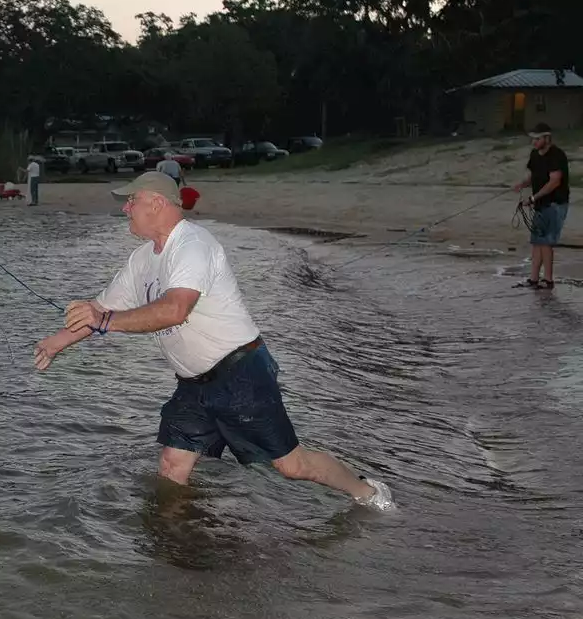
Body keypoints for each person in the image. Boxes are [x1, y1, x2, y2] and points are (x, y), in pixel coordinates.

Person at [33, 171, 395, 510]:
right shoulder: (142, 259)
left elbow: (175, 309)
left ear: (157, 203)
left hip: (240, 372)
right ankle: (177, 549)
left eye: (132, 201)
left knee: (291, 465)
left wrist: (106, 321)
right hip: (192, 385)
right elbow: (98, 310)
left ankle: (368, 493)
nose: (125, 208)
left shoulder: (192, 244)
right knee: (173, 464)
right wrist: (55, 342)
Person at [512, 123, 570, 290]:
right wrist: (521, 185)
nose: (534, 142)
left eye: (537, 139)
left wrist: (532, 197)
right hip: (540, 204)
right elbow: (533, 175)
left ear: (547, 138)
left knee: (545, 242)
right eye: (533, 139)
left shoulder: (557, 155)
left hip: (555, 204)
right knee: (537, 242)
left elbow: (554, 181)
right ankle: (534, 279)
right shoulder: (535, 154)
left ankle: (548, 280)